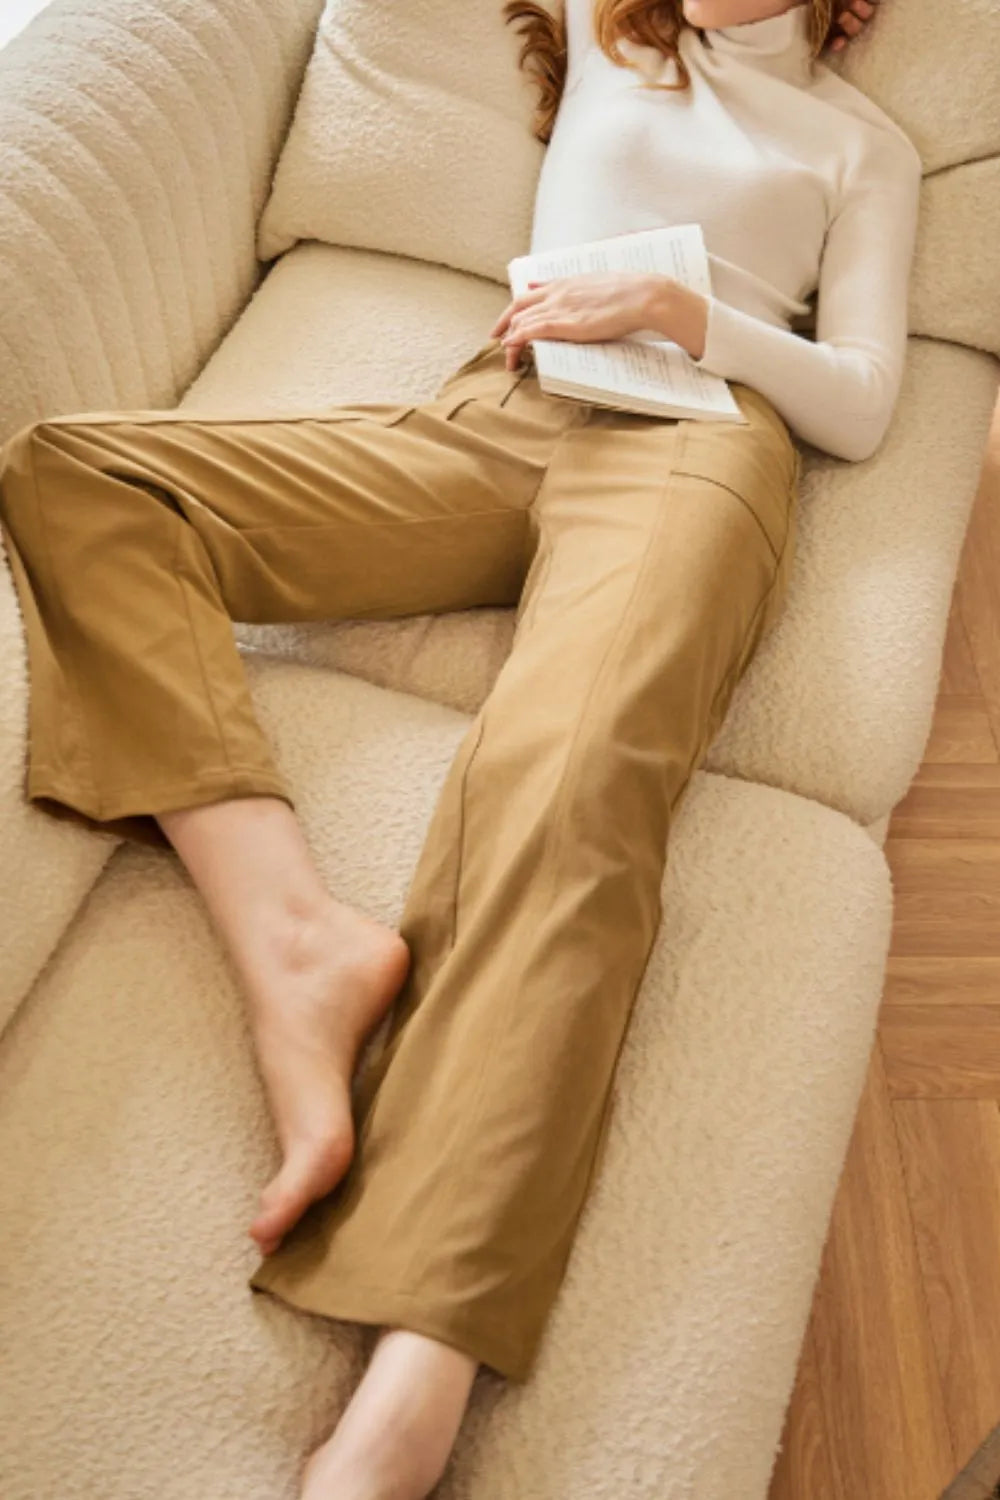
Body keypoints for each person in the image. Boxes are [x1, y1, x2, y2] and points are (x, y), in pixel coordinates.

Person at [0, 0, 911, 1496]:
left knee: (566, 787)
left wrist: (690, 317)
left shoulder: (857, 145)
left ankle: (414, 1379)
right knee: (83, 473)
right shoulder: (601, 24)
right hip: (498, 407)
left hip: (701, 439)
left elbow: (868, 404)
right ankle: (295, 938)